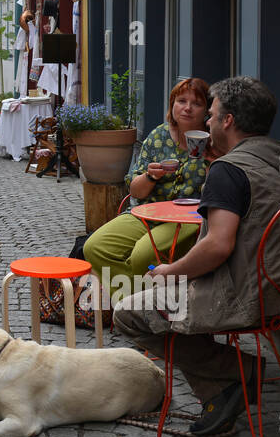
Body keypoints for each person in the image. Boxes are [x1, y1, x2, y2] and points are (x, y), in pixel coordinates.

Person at [114, 77, 280, 437]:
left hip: (242, 295)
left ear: (228, 121)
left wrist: (171, 271)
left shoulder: (229, 171)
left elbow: (218, 245)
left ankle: (238, 372)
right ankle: (221, 393)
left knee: (127, 314)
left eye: (212, 113)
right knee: (160, 302)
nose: (205, 122)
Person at [82, 78, 213, 296]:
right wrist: (151, 176)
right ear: (172, 105)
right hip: (147, 212)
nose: (188, 108)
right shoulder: (158, 136)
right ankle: (136, 303)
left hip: (189, 219)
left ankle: (140, 305)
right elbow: (135, 190)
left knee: (142, 255)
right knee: (94, 247)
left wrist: (210, 161)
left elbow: (217, 192)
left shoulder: (214, 142)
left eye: (196, 103)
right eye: (181, 101)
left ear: (207, 111)